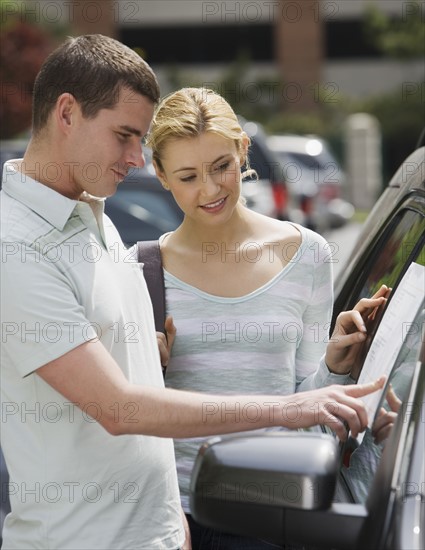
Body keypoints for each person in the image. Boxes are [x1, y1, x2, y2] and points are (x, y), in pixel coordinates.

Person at [0, 37, 385, 550]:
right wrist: (288, 408)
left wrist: (169, 520)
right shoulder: (18, 250)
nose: (136, 158)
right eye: (124, 136)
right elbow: (120, 409)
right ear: (66, 113)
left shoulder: (95, 220)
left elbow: (136, 401)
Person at [145, 87, 390, 549]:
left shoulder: (306, 253)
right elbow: (124, 412)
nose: (211, 188)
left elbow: (305, 407)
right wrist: (148, 369)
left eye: (221, 166)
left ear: (243, 150)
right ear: (160, 174)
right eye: (188, 176)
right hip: (175, 521)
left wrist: (334, 366)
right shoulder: (140, 269)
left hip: (272, 515)